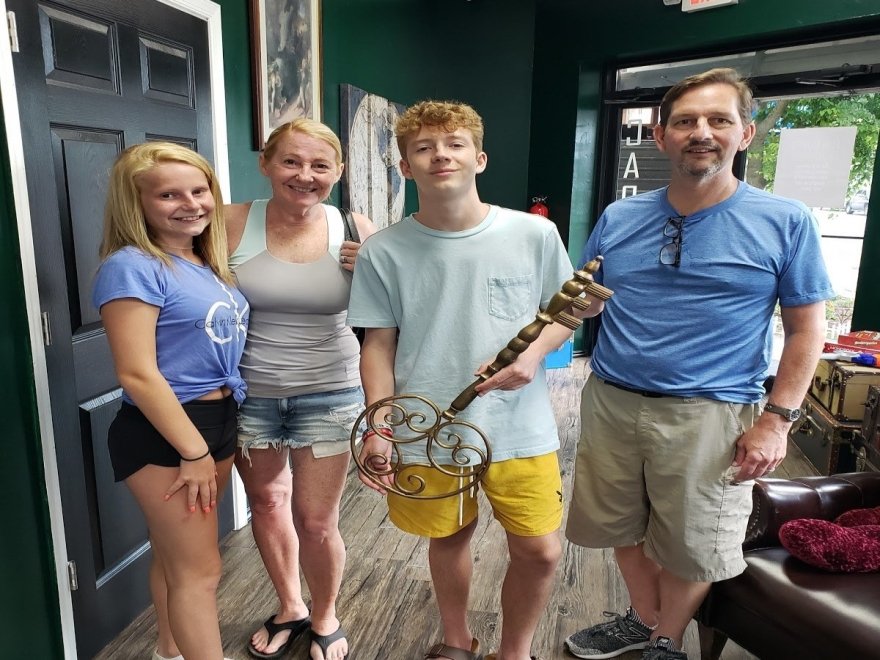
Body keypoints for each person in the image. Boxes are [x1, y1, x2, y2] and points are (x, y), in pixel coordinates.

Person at [563, 68, 834, 660]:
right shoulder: (619, 217)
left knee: (697, 541)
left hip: (712, 412)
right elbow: (587, 300)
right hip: (611, 399)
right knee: (617, 524)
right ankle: (642, 619)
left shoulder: (785, 221)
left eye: (718, 120)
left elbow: (806, 329)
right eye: (685, 121)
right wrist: (576, 307)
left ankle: (667, 639)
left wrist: (778, 420)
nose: (701, 132)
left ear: (746, 133)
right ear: (661, 136)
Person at [347, 100, 577, 660]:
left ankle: (515, 652)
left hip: (519, 425)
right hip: (427, 425)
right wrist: (379, 426)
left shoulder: (533, 233)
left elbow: (568, 311)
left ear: (480, 158)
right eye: (423, 148)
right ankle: (456, 640)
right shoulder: (384, 251)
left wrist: (534, 356)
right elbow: (377, 345)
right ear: (406, 167)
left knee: (541, 551)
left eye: (454, 144)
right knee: (447, 536)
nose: (440, 156)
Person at [226, 118, 375, 660]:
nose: (304, 174)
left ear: (338, 171)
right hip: (249, 393)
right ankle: (290, 607)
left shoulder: (356, 227)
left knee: (316, 521)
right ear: (265, 164)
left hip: (330, 391)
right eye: (290, 161)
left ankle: (326, 614)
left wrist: (372, 270)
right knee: (267, 502)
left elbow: (392, 316)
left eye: (319, 165)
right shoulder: (229, 222)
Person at [93, 142, 249, 660]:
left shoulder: (204, 262)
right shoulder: (132, 265)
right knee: (200, 572)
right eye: (168, 195)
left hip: (218, 417)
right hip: (171, 431)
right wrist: (193, 450)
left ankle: (169, 651)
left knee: (174, 557)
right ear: (137, 203)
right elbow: (137, 373)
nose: (191, 204)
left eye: (200, 190)